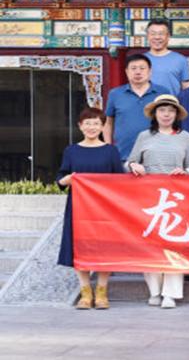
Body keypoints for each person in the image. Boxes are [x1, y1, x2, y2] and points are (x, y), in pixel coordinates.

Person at [126, 94, 189, 309]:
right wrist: (133, 166)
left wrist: (185, 172)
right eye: (162, 110)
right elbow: (129, 162)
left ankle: (170, 294)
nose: (166, 114)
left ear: (176, 115)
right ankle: (154, 291)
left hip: (176, 199)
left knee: (174, 245)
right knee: (151, 245)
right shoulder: (144, 136)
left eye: (171, 111)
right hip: (149, 199)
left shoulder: (185, 137)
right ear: (155, 114)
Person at [57, 107, 124, 310]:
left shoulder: (110, 151)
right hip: (78, 207)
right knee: (79, 247)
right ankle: (85, 292)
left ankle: (102, 291)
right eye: (87, 123)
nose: (92, 127)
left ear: (103, 126)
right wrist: (67, 179)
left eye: (96, 123)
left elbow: (120, 181)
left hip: (105, 209)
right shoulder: (71, 151)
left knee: (105, 248)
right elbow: (61, 177)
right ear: (80, 126)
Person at [104, 53, 170, 160]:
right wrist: (108, 147)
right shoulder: (115, 94)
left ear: (150, 71)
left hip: (157, 155)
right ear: (126, 72)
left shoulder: (162, 92)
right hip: (123, 154)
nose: (138, 72)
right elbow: (108, 123)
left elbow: (171, 122)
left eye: (142, 68)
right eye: (133, 68)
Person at [144, 19, 189, 93]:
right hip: (146, 101)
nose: (157, 37)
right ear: (147, 36)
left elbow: (186, 87)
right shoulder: (140, 60)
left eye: (161, 34)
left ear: (168, 36)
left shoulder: (180, 59)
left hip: (172, 100)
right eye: (153, 34)